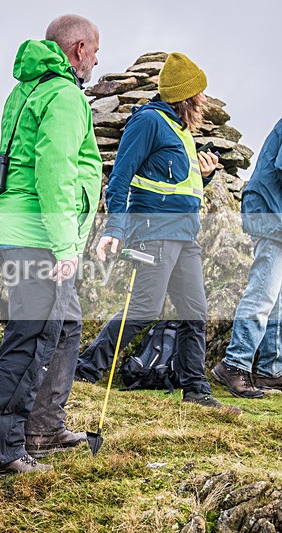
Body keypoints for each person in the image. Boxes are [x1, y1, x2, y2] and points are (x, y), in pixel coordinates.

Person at [74, 53, 239, 414]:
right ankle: (84, 370)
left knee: (195, 312)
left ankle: (195, 389)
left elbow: (178, 188)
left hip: (184, 236)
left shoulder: (180, 131)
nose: (204, 98)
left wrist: (206, 175)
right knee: (144, 309)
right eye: (199, 92)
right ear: (186, 96)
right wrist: (115, 227)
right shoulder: (148, 121)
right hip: (153, 232)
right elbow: (120, 177)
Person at [0, 14, 102, 476]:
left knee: (65, 326)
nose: (96, 60)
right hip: (40, 236)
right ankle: (3, 452)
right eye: (95, 51)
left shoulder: (27, 90)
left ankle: (44, 427)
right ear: (79, 49)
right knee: (29, 341)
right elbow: (55, 172)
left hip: (19, 229)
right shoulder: (65, 95)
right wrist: (65, 246)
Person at [211, 119, 282, 398]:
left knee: (276, 299)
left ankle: (270, 371)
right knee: (263, 293)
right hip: (270, 213)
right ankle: (234, 364)